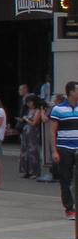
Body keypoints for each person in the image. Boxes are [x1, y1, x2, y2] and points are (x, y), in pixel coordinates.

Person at [48, 81, 78, 219]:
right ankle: (69, 208)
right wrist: (54, 151)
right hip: (64, 148)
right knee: (65, 178)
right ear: (71, 92)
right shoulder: (58, 109)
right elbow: (53, 131)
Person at [20, 93, 48, 180]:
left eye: (29, 101)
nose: (28, 103)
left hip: (33, 134)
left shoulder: (37, 111)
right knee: (26, 151)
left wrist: (26, 119)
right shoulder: (28, 111)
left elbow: (34, 123)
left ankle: (35, 171)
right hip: (26, 134)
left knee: (33, 152)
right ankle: (27, 171)